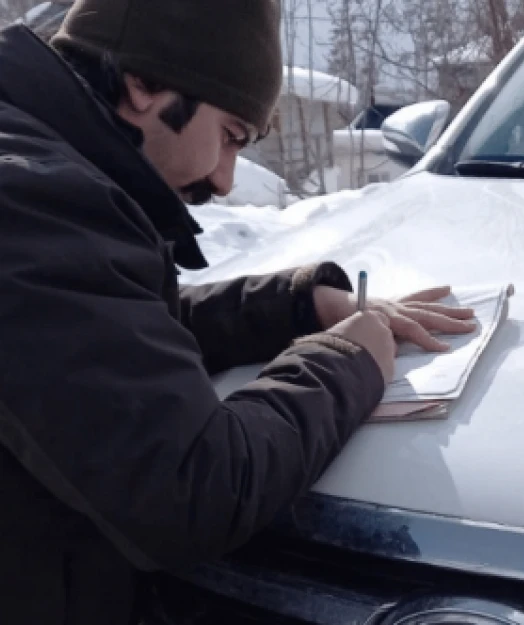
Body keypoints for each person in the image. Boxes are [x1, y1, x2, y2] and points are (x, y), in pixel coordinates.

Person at [0, 0, 477, 623]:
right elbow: (194, 489)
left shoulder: (38, 173)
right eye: (229, 136)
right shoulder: (32, 198)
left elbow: (103, 329)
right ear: (144, 83)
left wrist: (294, 306)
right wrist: (347, 359)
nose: (226, 180)